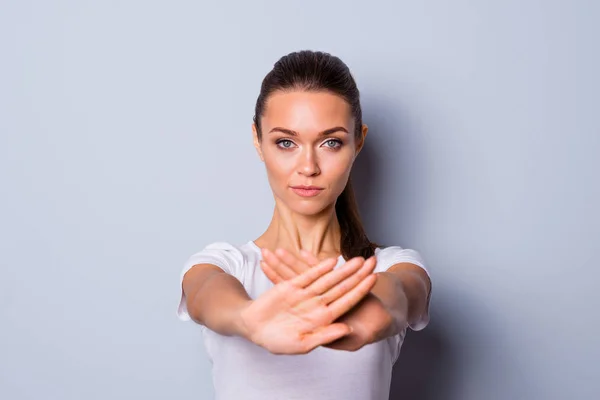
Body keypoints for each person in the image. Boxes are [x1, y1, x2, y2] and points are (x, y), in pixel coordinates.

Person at [176, 50, 432, 400]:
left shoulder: (392, 265)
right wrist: (248, 318)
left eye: (331, 142)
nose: (308, 166)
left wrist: (368, 310)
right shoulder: (226, 264)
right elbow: (205, 295)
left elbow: (402, 294)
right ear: (258, 140)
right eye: (286, 142)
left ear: (358, 141)